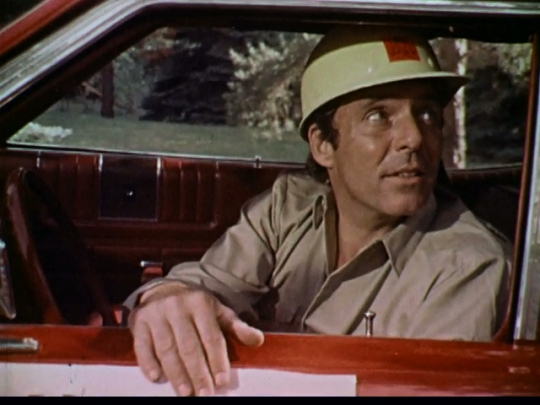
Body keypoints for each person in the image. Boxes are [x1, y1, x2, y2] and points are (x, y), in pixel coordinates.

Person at [124, 26, 512, 396]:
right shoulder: (287, 208)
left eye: (427, 113)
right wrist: (168, 296)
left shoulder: (470, 268)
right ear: (323, 144)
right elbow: (206, 285)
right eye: (378, 116)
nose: (414, 137)